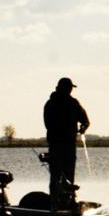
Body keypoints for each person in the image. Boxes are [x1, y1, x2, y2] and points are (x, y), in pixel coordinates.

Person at [43, 77, 90, 209]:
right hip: (56, 145)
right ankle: (54, 204)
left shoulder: (74, 103)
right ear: (62, 88)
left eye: (71, 88)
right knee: (56, 177)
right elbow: (48, 124)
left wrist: (83, 128)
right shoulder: (51, 104)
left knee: (69, 175)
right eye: (69, 88)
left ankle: (69, 203)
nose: (70, 90)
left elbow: (85, 120)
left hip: (70, 145)